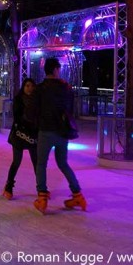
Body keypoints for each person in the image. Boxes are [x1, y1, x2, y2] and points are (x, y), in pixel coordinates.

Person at [33, 58, 86, 214]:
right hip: (62, 131)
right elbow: (70, 108)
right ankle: (77, 194)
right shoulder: (65, 88)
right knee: (63, 163)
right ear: (55, 69)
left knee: (41, 164)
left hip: (45, 131)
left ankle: (42, 197)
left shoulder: (40, 89)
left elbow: (35, 110)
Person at [2, 78, 38, 200]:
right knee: (16, 161)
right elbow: (17, 117)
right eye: (27, 85)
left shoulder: (37, 101)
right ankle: (9, 186)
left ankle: (41, 188)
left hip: (33, 134)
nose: (29, 88)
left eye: (31, 86)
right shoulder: (18, 100)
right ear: (23, 87)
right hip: (19, 134)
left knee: (36, 162)